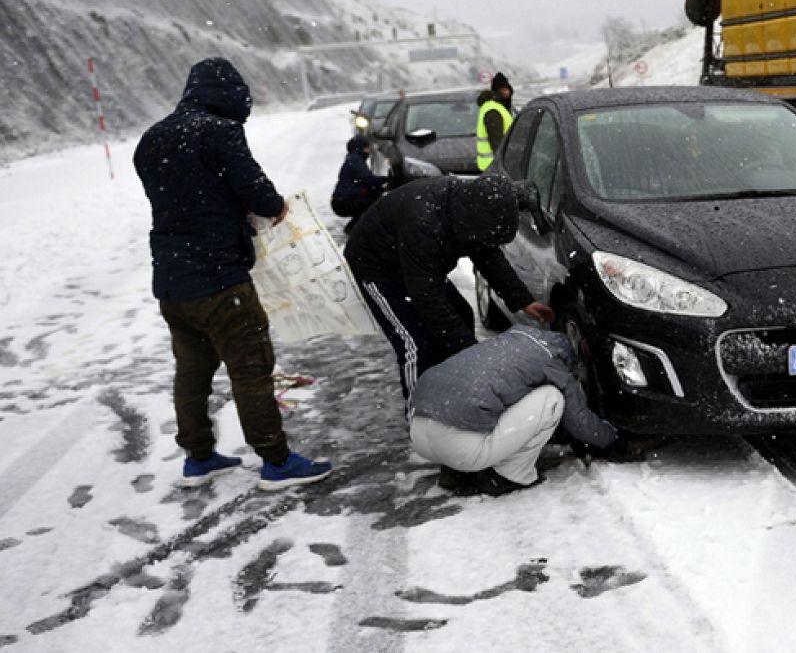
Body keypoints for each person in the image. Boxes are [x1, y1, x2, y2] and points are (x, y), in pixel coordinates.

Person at [132, 57, 333, 491]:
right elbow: (259, 196)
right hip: (221, 281)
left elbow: (184, 196)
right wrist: (277, 206)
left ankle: (198, 456)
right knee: (251, 368)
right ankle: (276, 461)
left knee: (192, 371)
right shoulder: (218, 133)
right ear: (230, 97)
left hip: (172, 283)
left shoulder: (150, 139)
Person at [344, 172, 553, 408]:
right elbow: (428, 297)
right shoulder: (425, 221)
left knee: (461, 316)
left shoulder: (473, 209)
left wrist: (522, 300)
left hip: (417, 264)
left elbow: (488, 256)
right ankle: (420, 416)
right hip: (378, 268)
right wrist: (471, 354)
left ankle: (450, 395)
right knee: (415, 343)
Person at [409, 325, 618, 496]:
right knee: (552, 398)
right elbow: (580, 424)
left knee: (491, 397)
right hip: (461, 446)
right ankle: (507, 476)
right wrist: (612, 438)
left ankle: (456, 469)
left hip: (419, 434)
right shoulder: (554, 364)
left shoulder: (504, 346)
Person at [330, 134, 387, 229]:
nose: (368, 151)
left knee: (374, 194)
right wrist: (385, 179)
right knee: (374, 203)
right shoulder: (356, 161)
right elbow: (369, 180)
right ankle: (354, 228)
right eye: (366, 148)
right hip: (344, 202)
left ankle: (354, 227)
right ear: (359, 148)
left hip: (340, 201)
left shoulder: (352, 159)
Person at [476, 72, 514, 172]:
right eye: (502, 89)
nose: (506, 92)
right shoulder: (493, 109)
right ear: (496, 91)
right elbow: (497, 141)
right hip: (494, 166)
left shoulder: (500, 107)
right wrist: (503, 163)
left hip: (492, 165)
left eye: (507, 88)